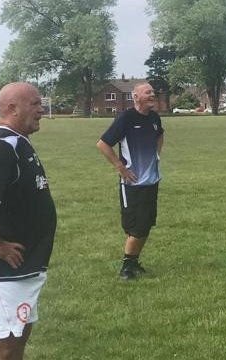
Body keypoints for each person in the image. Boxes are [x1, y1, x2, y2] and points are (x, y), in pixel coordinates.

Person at [0, 82, 54, 360]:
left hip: (24, 266)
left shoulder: (19, 143)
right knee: (3, 345)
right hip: (5, 268)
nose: (41, 109)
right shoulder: (4, 146)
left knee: (18, 338)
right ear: (12, 108)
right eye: (35, 104)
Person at [96, 82, 165, 280]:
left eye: (153, 91)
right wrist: (121, 167)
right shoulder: (126, 118)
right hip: (133, 183)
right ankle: (127, 267)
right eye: (148, 92)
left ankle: (133, 262)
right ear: (136, 97)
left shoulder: (153, 118)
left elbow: (160, 135)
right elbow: (103, 144)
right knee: (136, 226)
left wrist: (156, 155)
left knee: (146, 224)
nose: (153, 94)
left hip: (151, 180)